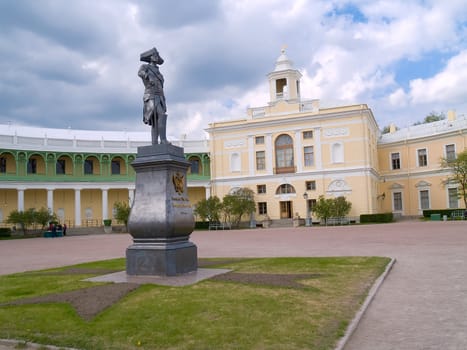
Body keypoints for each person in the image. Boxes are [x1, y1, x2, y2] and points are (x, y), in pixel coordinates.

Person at [138, 47, 169, 145]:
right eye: (155, 55)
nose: (156, 57)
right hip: (150, 95)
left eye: (157, 56)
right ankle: (163, 140)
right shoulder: (145, 67)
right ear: (150, 57)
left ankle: (154, 143)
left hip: (160, 97)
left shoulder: (158, 71)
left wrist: (163, 99)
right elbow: (140, 73)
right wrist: (148, 76)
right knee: (161, 115)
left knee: (156, 121)